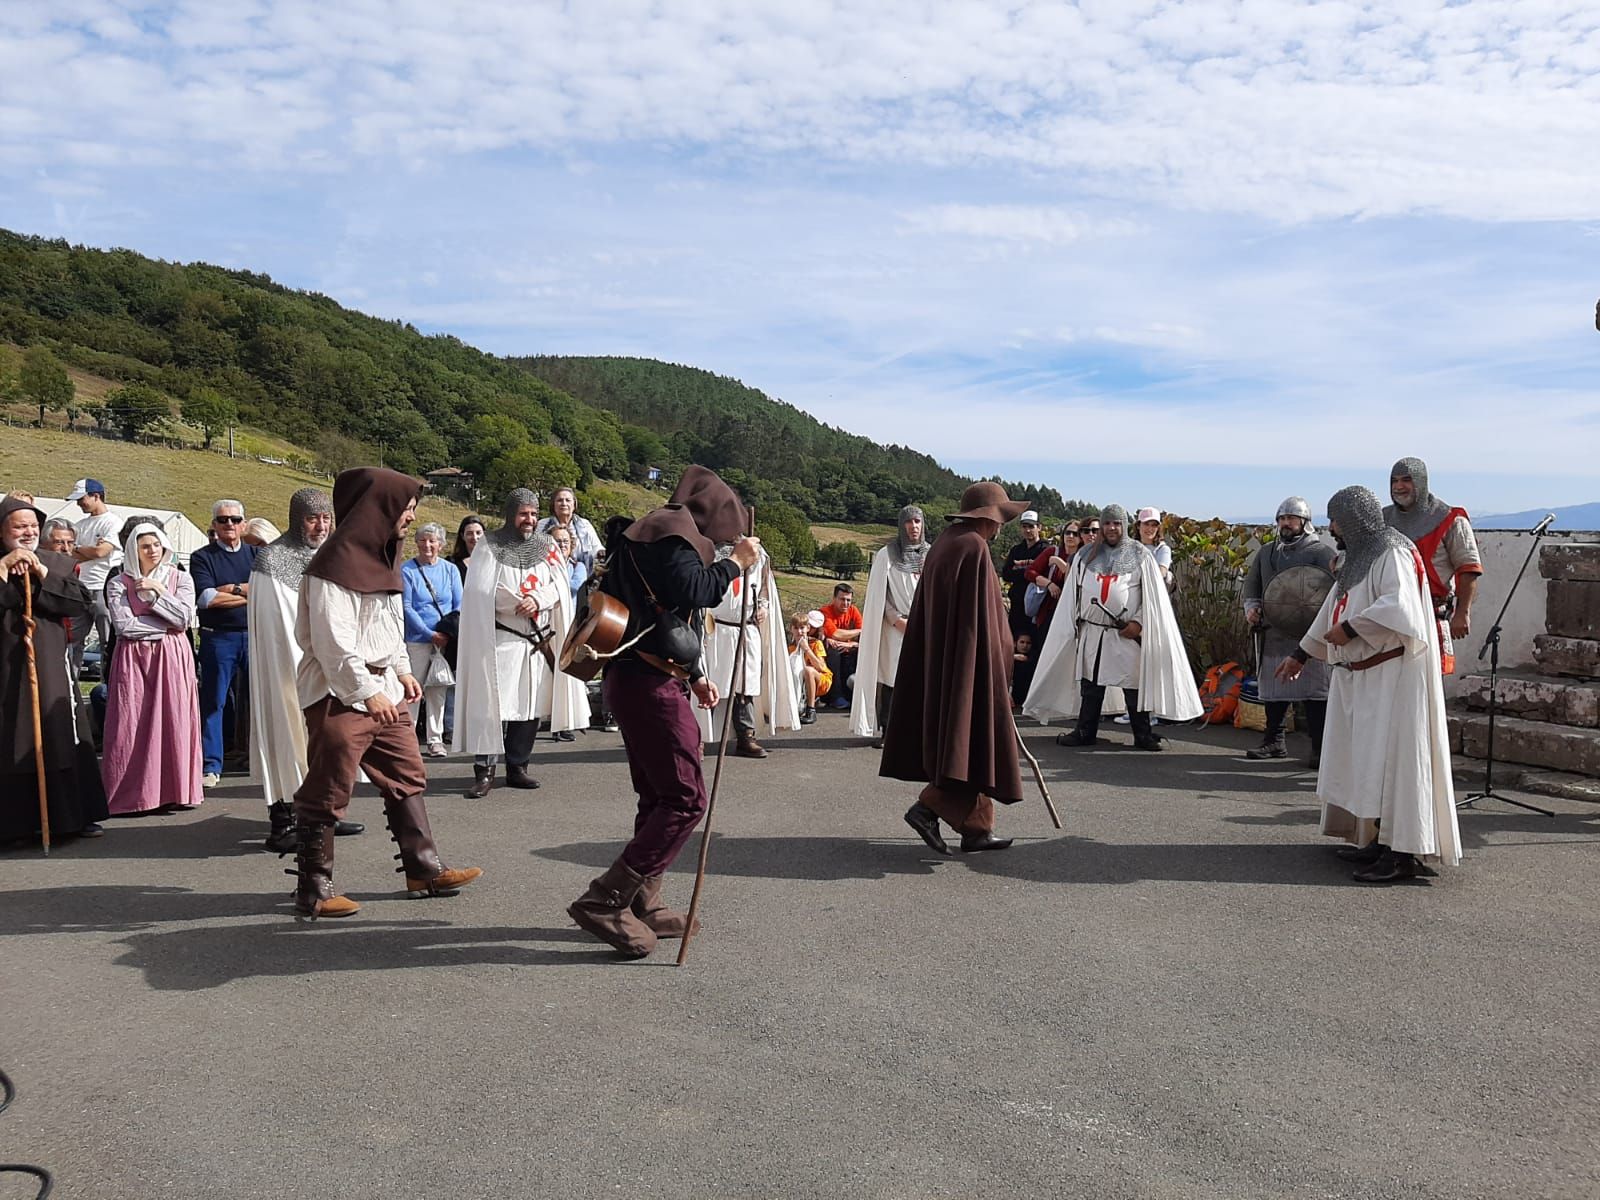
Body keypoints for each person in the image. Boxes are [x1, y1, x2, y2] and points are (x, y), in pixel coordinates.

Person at [566, 465, 760, 957]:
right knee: (684, 798)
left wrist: (694, 675)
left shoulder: (654, 533)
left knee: (657, 795)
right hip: (647, 685)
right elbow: (695, 591)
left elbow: (665, 613)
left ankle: (642, 900)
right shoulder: (672, 538)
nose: (725, 539)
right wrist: (735, 564)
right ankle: (606, 898)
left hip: (643, 676)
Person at [288, 467, 482, 918]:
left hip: (384, 689)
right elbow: (333, 642)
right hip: (339, 694)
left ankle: (424, 868)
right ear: (380, 508)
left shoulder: (382, 557)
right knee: (328, 787)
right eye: (406, 508)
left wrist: (400, 670)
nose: (410, 517)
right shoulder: (332, 567)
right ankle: (313, 889)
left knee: (406, 773)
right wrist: (365, 690)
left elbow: (388, 629)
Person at [1274, 486, 1461, 884]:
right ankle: (1378, 840)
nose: (1331, 528)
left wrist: (1352, 628)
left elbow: (1400, 607)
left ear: (1354, 519)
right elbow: (1331, 609)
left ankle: (1402, 853)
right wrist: (1301, 654)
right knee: (1368, 766)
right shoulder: (1359, 558)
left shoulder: (1392, 552)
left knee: (1394, 765)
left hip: (1391, 679)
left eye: (1335, 520)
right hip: (1361, 679)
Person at [882, 481, 1028, 855]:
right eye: (1000, 519)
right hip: (969, 662)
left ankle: (976, 830)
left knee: (968, 740)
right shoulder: (972, 546)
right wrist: (997, 660)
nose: (1001, 526)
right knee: (970, 738)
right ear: (988, 518)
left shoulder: (948, 542)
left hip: (952, 658)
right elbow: (982, 619)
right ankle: (928, 808)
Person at [1023, 503, 1202, 748]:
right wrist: (1073, 623)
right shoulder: (1084, 557)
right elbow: (1073, 594)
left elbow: (1152, 597)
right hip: (1092, 630)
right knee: (1091, 685)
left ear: (1124, 526)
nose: (1111, 528)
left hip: (1125, 632)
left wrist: (1138, 623)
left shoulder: (1141, 556)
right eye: (1107, 523)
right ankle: (1085, 732)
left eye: (1116, 523)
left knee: (1133, 684)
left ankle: (1143, 735)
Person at [248, 488, 363, 853]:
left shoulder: (334, 555)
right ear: (297, 520)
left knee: (326, 739)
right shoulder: (271, 560)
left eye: (326, 518)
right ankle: (283, 823)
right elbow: (275, 627)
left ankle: (323, 816)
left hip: (324, 665)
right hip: (287, 667)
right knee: (285, 732)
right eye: (313, 519)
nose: (321, 526)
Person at [452, 489, 586, 796]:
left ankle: (517, 766)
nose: (529, 519)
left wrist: (537, 599)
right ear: (511, 513)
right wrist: (516, 603)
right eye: (524, 513)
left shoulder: (547, 546)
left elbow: (560, 585)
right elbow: (480, 591)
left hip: (536, 642)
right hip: (501, 639)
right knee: (492, 706)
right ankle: (485, 770)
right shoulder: (489, 545)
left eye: (534, 514)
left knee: (529, 707)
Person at [1, 495, 108, 844]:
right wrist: (3, 569)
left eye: (33, 526)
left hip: (49, 665)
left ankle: (69, 818)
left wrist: (41, 573)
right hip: (5, 668)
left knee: (58, 733)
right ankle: (14, 825)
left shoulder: (56, 563)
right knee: (10, 737)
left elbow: (78, 603)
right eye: (19, 526)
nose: (28, 532)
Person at [101, 523, 203, 815]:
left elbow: (184, 619)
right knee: (131, 722)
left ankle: (174, 790)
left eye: (157, 545)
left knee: (173, 718)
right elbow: (124, 626)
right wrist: (165, 627)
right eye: (145, 546)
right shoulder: (119, 582)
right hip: (133, 659)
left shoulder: (180, 578)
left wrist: (158, 593)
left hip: (172, 658)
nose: (152, 551)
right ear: (134, 550)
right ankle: (133, 794)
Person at [1242, 497, 1336, 765]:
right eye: (1282, 519)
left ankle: (1320, 749)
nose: (1285, 523)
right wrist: (1252, 607)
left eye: (1291, 518)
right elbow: (1252, 585)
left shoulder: (1321, 553)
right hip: (1274, 631)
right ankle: (1274, 741)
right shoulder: (1267, 553)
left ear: (1305, 522)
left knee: (1315, 694)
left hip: (1310, 634)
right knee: (1275, 692)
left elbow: (1333, 589)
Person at [694, 535, 800, 758]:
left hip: (746, 628)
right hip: (716, 629)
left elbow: (764, 587)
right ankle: (697, 738)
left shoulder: (757, 552)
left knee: (745, 686)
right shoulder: (708, 550)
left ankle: (746, 736)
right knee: (709, 684)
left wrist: (763, 606)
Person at [1383, 457, 1483, 674]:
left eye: (1406, 480)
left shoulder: (1450, 519)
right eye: (1394, 481)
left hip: (1430, 611)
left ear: (1421, 482)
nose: (1399, 487)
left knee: (1428, 682)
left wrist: (1462, 612)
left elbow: (1468, 569)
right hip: (1390, 613)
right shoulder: (1383, 520)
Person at [190, 499, 259, 787]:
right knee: (214, 702)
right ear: (214, 525)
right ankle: (211, 765)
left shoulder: (257, 554)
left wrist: (230, 589)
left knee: (261, 701)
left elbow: (269, 591)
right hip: (218, 638)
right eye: (223, 520)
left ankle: (261, 760)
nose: (229, 524)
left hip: (254, 636)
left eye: (235, 519)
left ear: (244, 524)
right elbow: (207, 598)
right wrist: (250, 593)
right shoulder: (201, 557)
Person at [850, 505, 927, 743]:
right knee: (893, 679)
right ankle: (889, 731)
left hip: (923, 626)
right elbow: (878, 595)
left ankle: (917, 731)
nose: (913, 526)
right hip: (896, 627)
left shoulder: (932, 553)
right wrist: (896, 619)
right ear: (901, 525)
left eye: (917, 521)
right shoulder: (887, 554)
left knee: (921, 680)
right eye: (909, 522)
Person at [401, 522, 462, 759]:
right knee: (413, 689)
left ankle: (435, 740)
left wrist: (446, 633)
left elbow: (458, 603)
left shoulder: (450, 570)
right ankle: (407, 739)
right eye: (423, 540)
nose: (427, 545)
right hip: (417, 639)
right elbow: (407, 606)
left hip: (444, 640)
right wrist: (429, 634)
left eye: (432, 540)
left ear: (441, 544)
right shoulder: (407, 570)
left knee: (438, 689)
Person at [67, 478, 121, 672]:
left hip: (102, 587)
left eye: (81, 499)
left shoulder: (113, 522)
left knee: (108, 641)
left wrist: (79, 549)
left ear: (96, 496)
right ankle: (70, 684)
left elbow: (101, 552)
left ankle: (109, 682)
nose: (79, 504)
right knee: (72, 641)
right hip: (80, 588)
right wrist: (86, 551)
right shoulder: (79, 525)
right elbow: (69, 554)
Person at [1023, 521, 1079, 634]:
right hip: (1048, 611)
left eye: (1075, 534)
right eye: (1067, 533)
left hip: (1072, 613)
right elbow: (1029, 572)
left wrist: (1059, 563)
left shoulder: (1083, 557)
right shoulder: (1053, 551)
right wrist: (1049, 584)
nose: (1070, 536)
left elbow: (1075, 579)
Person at [536, 486, 602, 572]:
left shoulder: (585, 525)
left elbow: (597, 549)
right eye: (560, 500)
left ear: (574, 505)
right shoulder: (542, 525)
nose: (564, 503)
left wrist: (600, 554)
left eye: (568, 500)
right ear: (553, 505)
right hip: (549, 573)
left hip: (582, 574)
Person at [819, 583, 863, 708]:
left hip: (849, 649)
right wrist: (859, 632)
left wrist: (853, 643)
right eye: (842, 599)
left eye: (848, 600)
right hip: (833, 651)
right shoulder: (825, 612)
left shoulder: (853, 611)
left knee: (862, 648)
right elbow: (836, 634)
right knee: (832, 648)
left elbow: (865, 635)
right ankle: (836, 696)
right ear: (834, 599)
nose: (846, 603)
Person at [1000, 508, 1044, 635]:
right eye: (1024, 526)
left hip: (1036, 607)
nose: (1027, 530)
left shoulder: (1045, 549)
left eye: (1031, 526)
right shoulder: (1016, 550)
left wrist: (1019, 570)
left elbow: (1042, 573)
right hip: (1017, 605)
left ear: (1039, 527)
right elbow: (1006, 574)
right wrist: (1029, 572)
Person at [788, 610, 831, 724]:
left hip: (821, 679)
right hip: (801, 681)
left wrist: (807, 649)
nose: (799, 632)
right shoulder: (790, 648)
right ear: (791, 629)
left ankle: (811, 710)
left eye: (802, 628)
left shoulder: (816, 643)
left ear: (808, 628)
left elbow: (821, 667)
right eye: (796, 628)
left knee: (808, 670)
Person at [549, 525, 588, 602]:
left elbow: (574, 587)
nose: (562, 545)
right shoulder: (542, 567)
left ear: (571, 544)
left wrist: (548, 586)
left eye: (566, 541)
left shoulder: (578, 567)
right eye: (557, 541)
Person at [1136, 508, 1173, 587]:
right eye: (1146, 524)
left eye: (1154, 525)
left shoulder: (1162, 549)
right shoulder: (1129, 548)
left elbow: (1160, 574)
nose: (1150, 529)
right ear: (1138, 526)